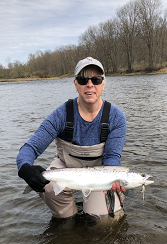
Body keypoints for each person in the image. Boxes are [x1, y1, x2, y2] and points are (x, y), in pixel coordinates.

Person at [17, 57, 126, 223]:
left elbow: (112, 157)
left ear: (103, 84)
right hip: (65, 167)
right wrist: (24, 168)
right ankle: (68, 217)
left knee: (104, 223)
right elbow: (31, 147)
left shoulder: (116, 117)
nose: (90, 84)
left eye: (96, 79)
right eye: (83, 80)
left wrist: (114, 179)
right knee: (49, 189)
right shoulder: (61, 114)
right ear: (75, 84)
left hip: (100, 173)